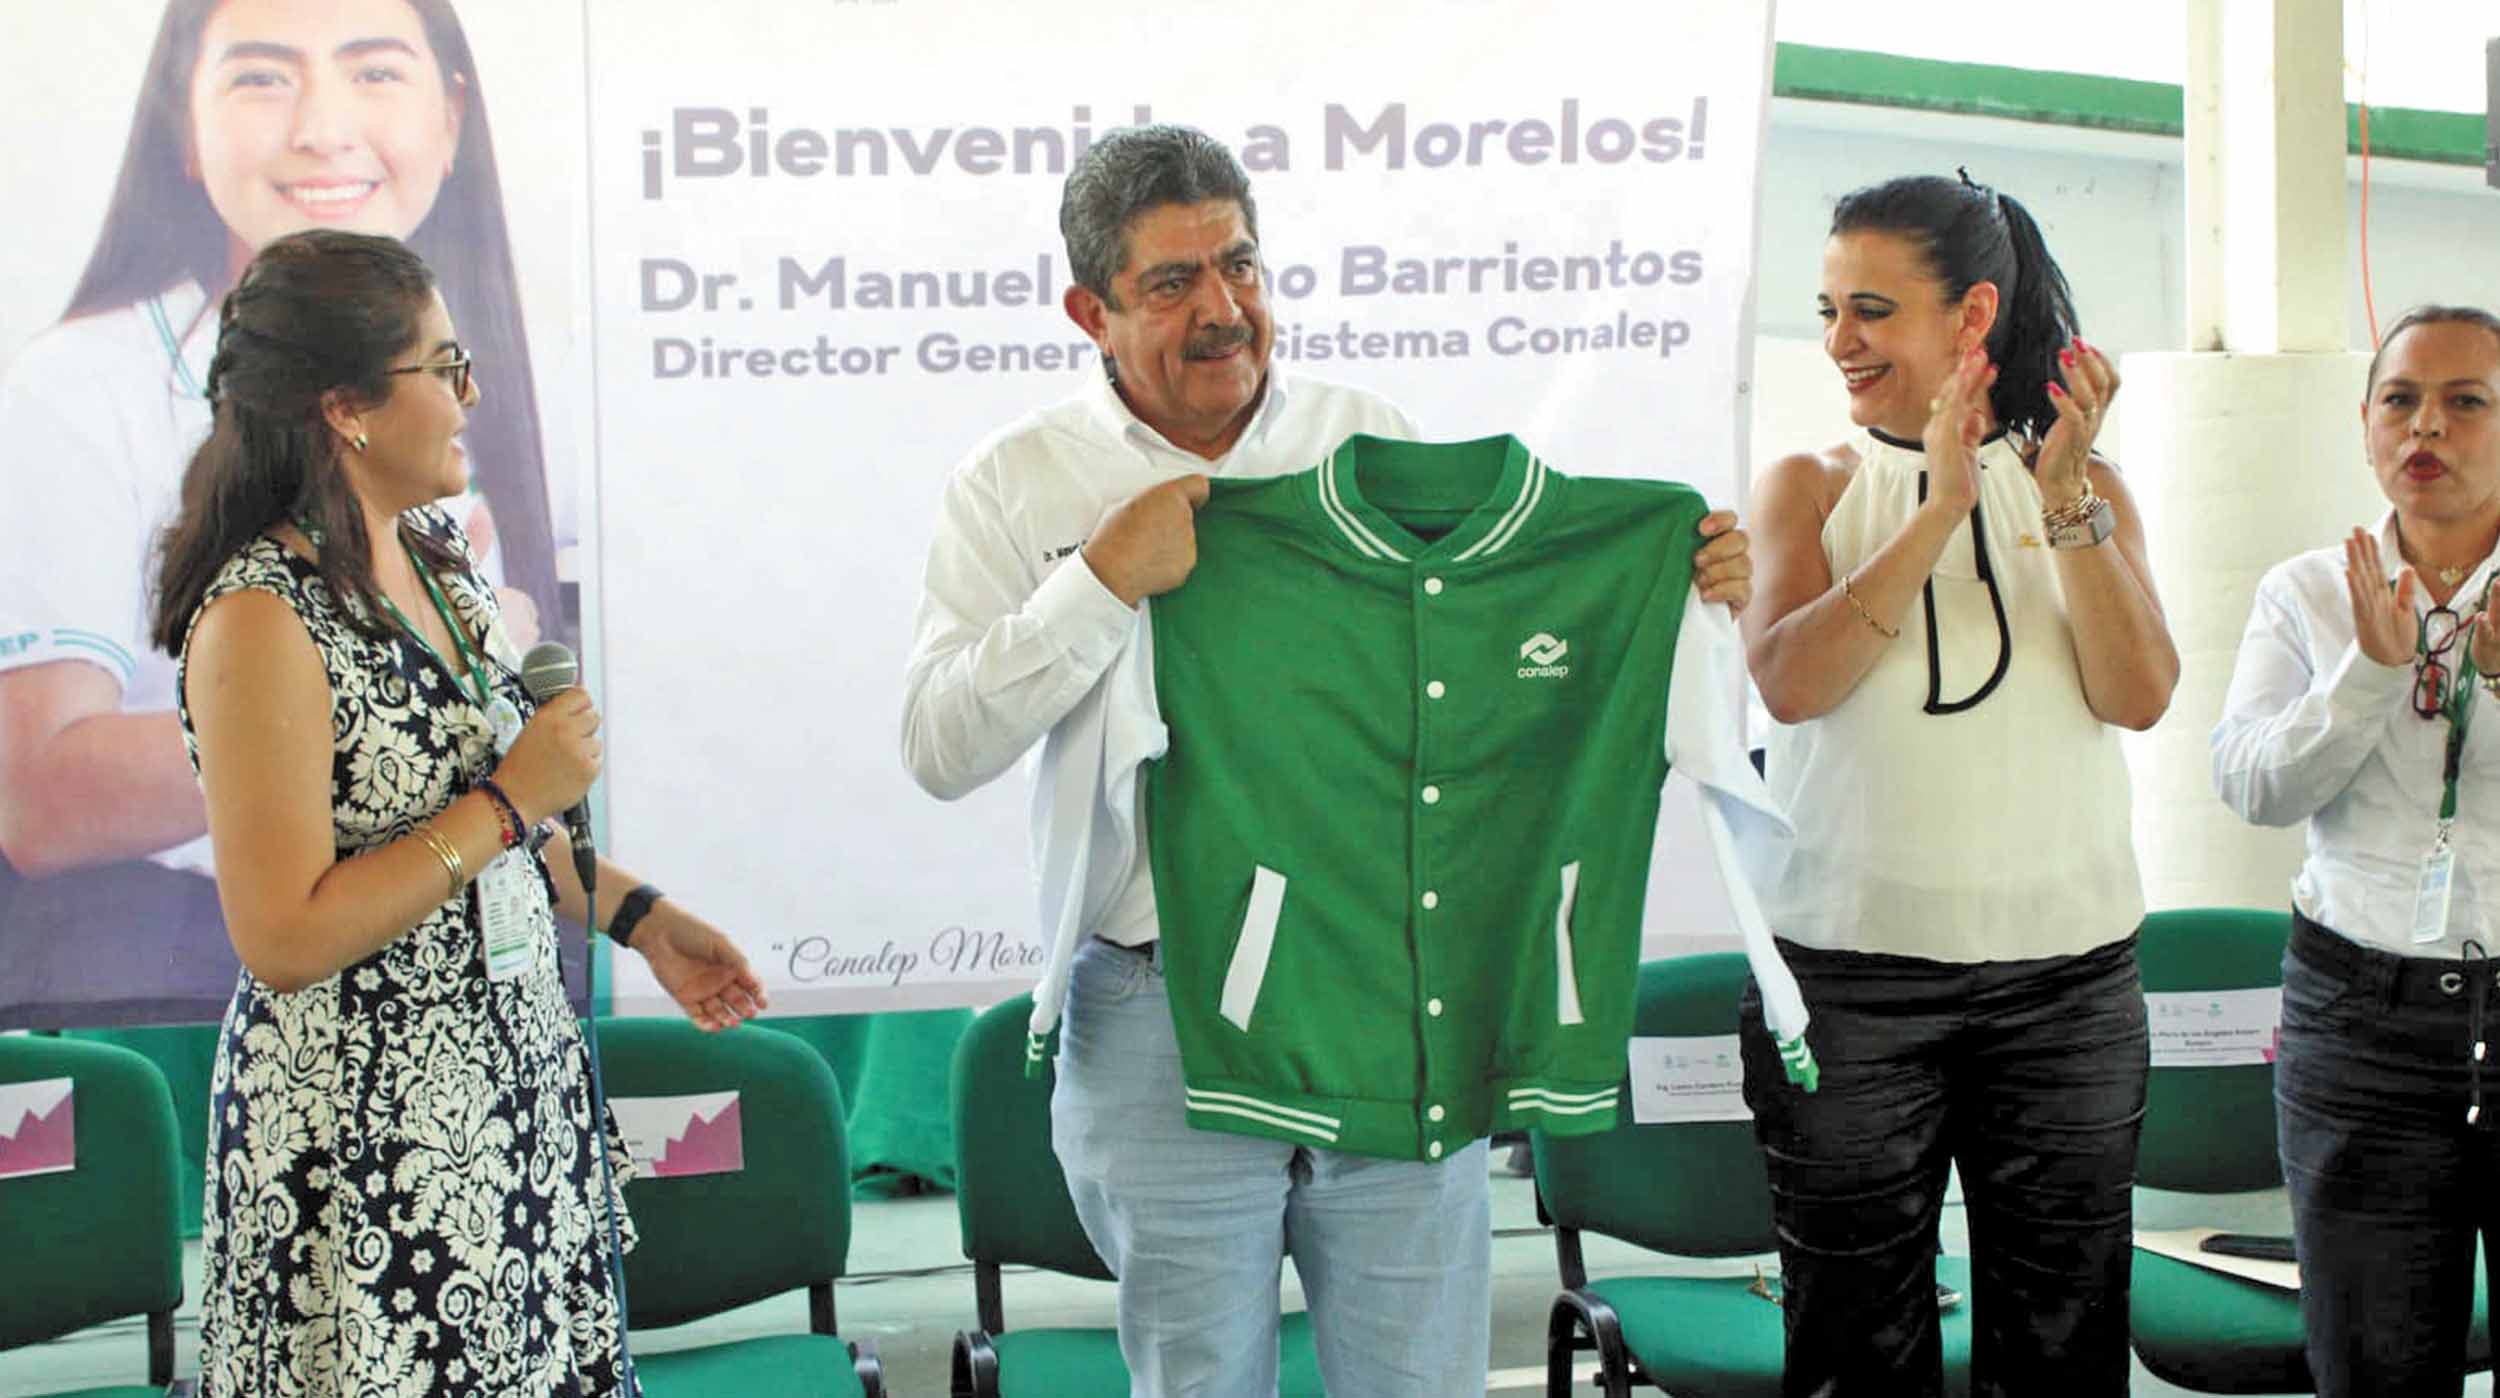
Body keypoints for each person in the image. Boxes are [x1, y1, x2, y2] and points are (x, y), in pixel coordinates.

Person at [901, 125, 1756, 1397]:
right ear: (1090, 312)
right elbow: (938, 744)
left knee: (1419, 1382)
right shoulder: (1017, 483)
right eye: (1172, 282)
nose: (1222, 308)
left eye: (1239, 265)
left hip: (1395, 990)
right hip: (1157, 1013)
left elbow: (1474, 690)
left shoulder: (1368, 437)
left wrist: (1671, 589)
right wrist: (1097, 584)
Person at [157, 228, 762, 1395]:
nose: (471, 396)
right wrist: (509, 797)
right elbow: (283, 936)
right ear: (346, 408)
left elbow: (505, 833)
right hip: (364, 1137)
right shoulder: (260, 618)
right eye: (443, 368)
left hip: (509, 1099)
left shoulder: (436, 558)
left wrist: (640, 917)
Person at [0, 0, 560, 1027]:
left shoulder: (510, 390)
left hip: (467, 976)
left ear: (450, 118)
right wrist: (429, 674)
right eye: (263, 76)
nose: (322, 127)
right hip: (193, 991)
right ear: (184, 126)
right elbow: (40, 801)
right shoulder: (79, 389)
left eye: (374, 71)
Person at [1737, 172, 2177, 1396]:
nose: (1839, 340)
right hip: (1846, 986)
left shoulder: (2083, 484)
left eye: (1870, 310)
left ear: (1972, 313)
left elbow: (2138, 694)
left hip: (2067, 989)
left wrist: (2065, 500)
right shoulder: (1808, 484)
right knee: (1854, 1346)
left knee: (2063, 1342)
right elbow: (1790, 683)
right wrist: (1935, 511)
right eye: (1828, 311)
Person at [2212, 305, 2500, 1397]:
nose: (2425, 427)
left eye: (2465, 402)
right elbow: (2253, 786)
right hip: (2362, 1027)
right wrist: (2366, 677)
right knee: (2375, 1370)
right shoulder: (2306, 593)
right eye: (2399, 401)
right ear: (2366, 424)